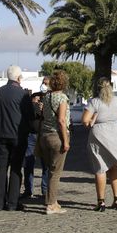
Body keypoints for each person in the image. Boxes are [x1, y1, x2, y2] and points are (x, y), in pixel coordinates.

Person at [82, 77, 117, 212]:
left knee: (100, 168)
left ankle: (101, 201)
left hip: (99, 134)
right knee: (114, 167)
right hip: (115, 133)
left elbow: (85, 121)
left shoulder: (94, 102)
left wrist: (94, 118)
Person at [0, 65, 33, 211]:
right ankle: (13, 203)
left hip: (1, 135)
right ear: (19, 78)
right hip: (17, 136)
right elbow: (30, 116)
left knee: (2, 168)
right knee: (16, 168)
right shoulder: (22, 95)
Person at [36, 70, 70, 215]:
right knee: (56, 172)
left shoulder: (47, 97)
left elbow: (43, 116)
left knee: (50, 170)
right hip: (56, 136)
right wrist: (66, 141)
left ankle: (53, 201)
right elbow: (61, 121)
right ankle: (51, 204)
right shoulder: (62, 98)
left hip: (44, 136)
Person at [22, 77, 50, 200]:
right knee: (29, 163)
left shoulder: (51, 98)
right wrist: (34, 104)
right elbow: (30, 113)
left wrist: (43, 108)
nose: (43, 85)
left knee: (46, 165)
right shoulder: (34, 96)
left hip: (44, 134)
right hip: (32, 134)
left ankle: (45, 190)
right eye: (43, 83)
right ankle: (28, 190)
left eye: (46, 84)